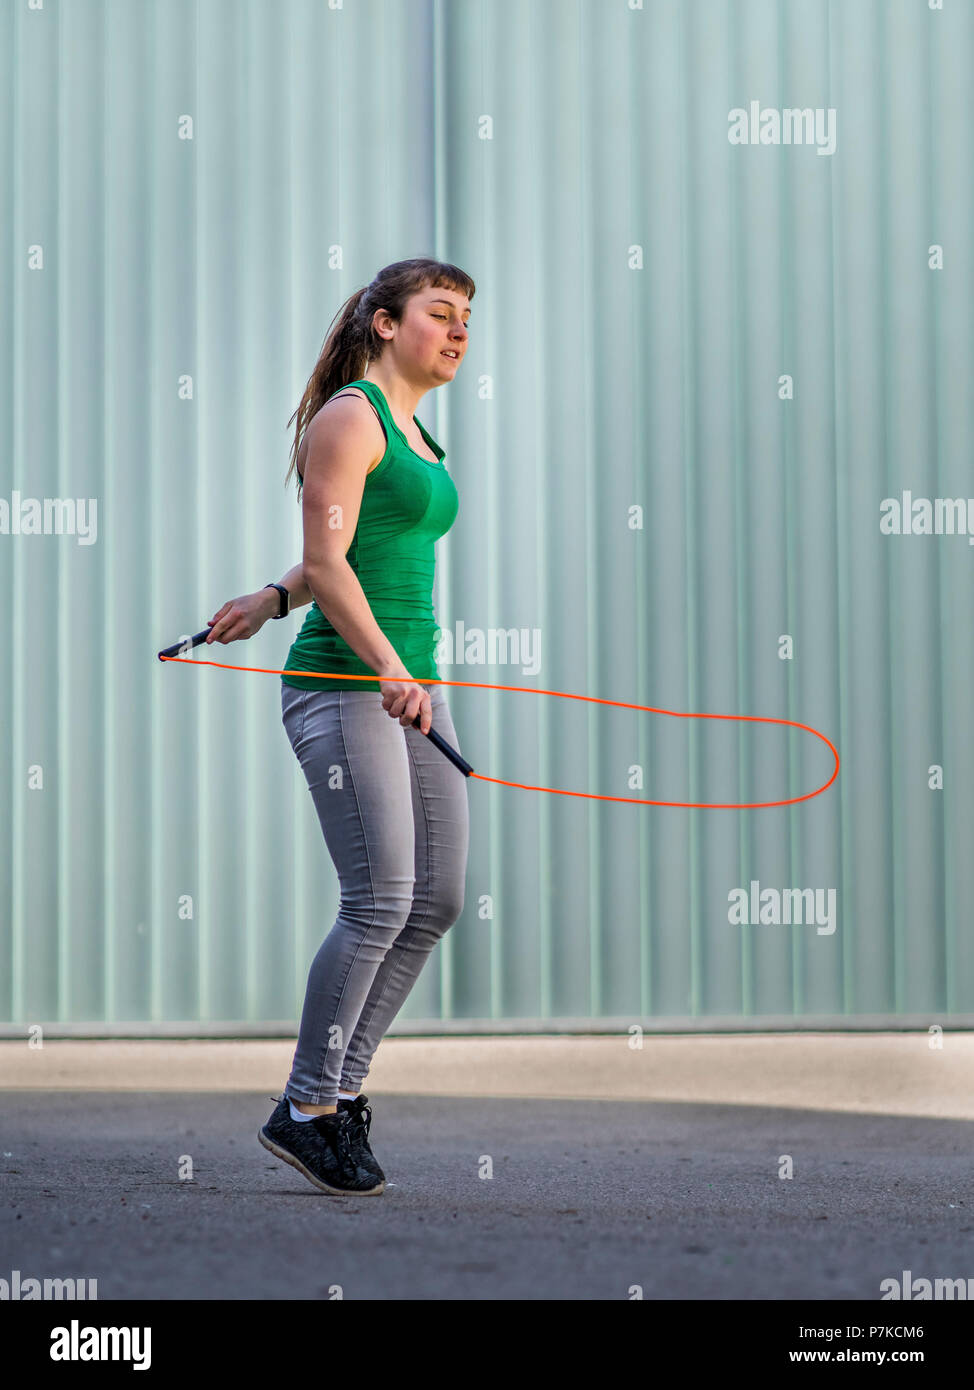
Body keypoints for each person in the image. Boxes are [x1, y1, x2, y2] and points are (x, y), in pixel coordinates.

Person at [205, 259, 474, 1196]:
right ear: (385, 322)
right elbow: (332, 554)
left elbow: (336, 549)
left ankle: (334, 1095)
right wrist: (385, 664)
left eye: (466, 317)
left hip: (408, 685)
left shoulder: (412, 430)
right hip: (346, 684)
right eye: (440, 314)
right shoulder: (350, 417)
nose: (458, 330)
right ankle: (309, 1106)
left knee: (434, 901)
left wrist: (274, 594)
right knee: (378, 900)